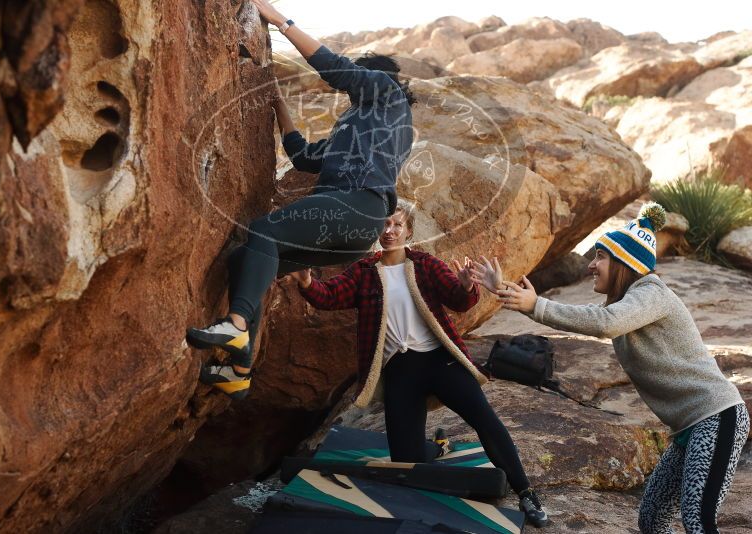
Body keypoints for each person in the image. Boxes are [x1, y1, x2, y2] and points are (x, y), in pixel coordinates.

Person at [185, 0, 416, 399]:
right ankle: (238, 371)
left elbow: (338, 70)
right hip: (354, 228)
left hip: (355, 204)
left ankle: (237, 325)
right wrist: (278, 105)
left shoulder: (388, 92)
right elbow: (305, 157)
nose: (353, 90)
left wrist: (282, 22)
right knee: (246, 258)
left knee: (264, 230)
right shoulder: (359, 124)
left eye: (364, 77)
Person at [476, 203, 749, 534]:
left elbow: (605, 324)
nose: (591, 264)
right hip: (688, 428)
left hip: (716, 417)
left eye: (601, 257)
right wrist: (508, 291)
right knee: (652, 518)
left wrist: (538, 305)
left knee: (698, 520)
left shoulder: (651, 293)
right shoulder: (625, 305)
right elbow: (584, 316)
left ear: (624, 263)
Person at [292, 199, 549, 527]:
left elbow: (459, 301)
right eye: (384, 225)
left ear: (408, 231)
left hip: (440, 362)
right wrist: (306, 283)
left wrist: (467, 285)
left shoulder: (425, 264)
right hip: (400, 371)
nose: (390, 231)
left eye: (397, 225)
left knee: (485, 420)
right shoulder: (364, 272)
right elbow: (329, 295)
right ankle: (435, 448)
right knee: (406, 465)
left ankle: (526, 492)